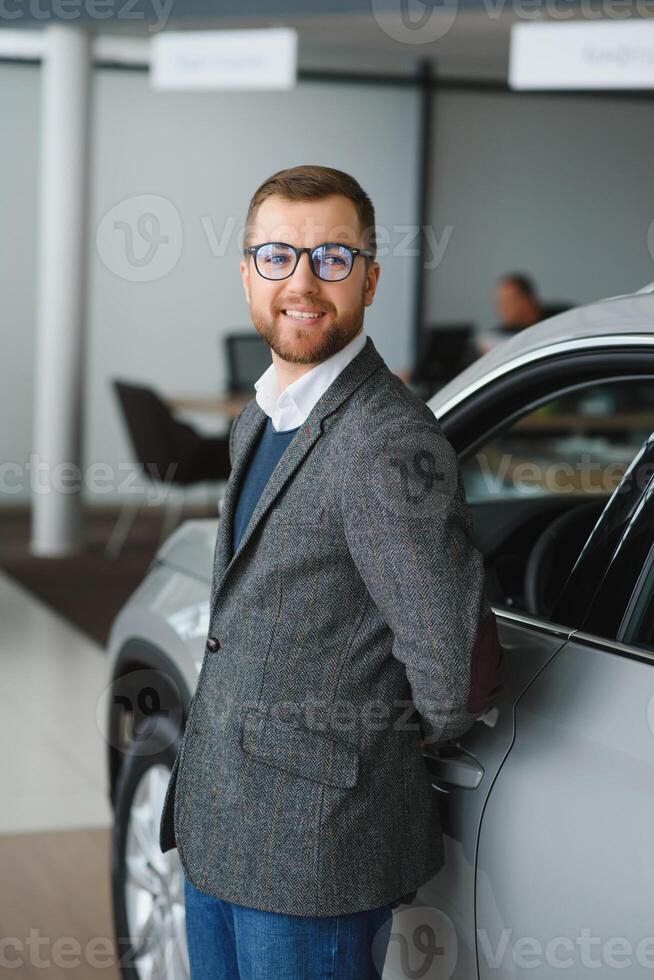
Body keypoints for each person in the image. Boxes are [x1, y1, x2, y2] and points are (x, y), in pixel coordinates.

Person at [159, 164, 504, 979]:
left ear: (371, 278)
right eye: (277, 256)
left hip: (315, 854)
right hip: (219, 826)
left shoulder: (388, 440)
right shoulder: (262, 415)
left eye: (334, 258)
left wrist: (344, 748)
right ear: (248, 273)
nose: (303, 282)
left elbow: (446, 681)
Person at [476, 273, 572, 355]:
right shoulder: (493, 338)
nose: (502, 309)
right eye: (500, 303)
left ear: (527, 300)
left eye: (508, 302)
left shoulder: (562, 318)